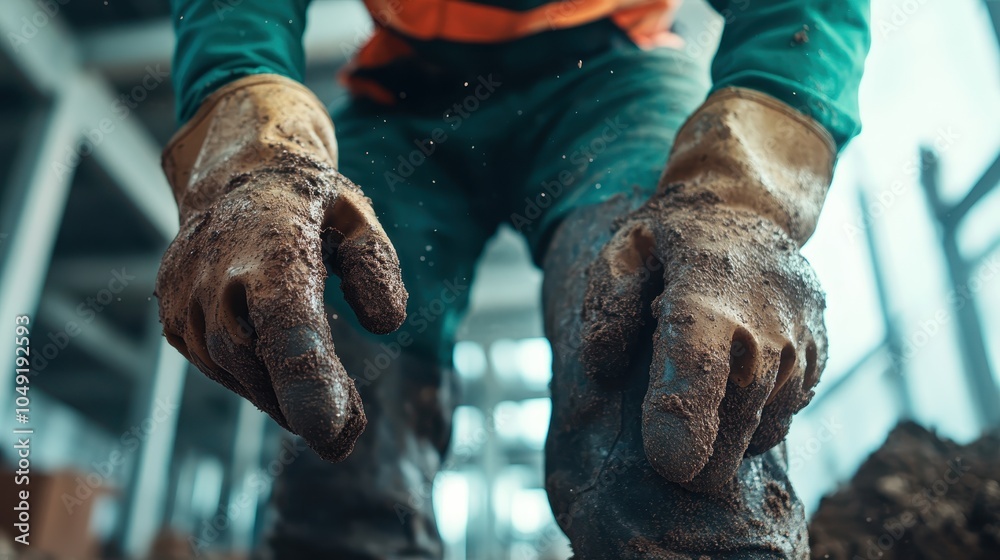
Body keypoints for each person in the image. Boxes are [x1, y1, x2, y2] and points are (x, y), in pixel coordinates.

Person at [156, 0, 870, 556]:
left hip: (614, 73)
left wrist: (744, 200)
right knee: (330, 351)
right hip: (406, 92)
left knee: (676, 355)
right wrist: (246, 164)